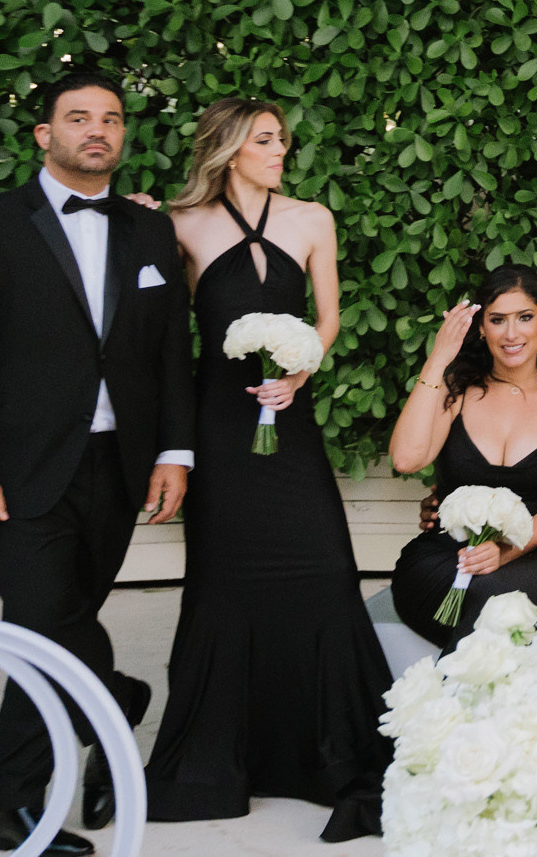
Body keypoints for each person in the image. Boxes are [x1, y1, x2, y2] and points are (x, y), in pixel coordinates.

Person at [0, 69, 196, 857]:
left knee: (44, 630)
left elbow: (171, 349)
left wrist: (174, 450)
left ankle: (47, 774)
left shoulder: (150, 233)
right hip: (13, 470)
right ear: (45, 134)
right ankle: (63, 759)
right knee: (45, 625)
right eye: (77, 117)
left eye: (110, 118)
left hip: (117, 467)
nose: (96, 130)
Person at [143, 100, 391, 838]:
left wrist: (301, 370)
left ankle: (328, 753)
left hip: (292, 424)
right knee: (223, 582)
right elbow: (157, 329)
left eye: (283, 137)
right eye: (265, 139)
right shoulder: (182, 225)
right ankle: (225, 753)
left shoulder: (313, 217)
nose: (281, 148)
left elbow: (329, 316)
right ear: (227, 148)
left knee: (322, 566)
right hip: (219, 431)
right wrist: (134, 215)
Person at [387, 266, 537, 648]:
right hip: (443, 556)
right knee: (491, 604)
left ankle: (449, 704)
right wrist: (438, 360)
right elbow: (406, 459)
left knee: (501, 601)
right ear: (480, 328)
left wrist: (503, 550)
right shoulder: (457, 389)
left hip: (532, 555)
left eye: (525, 317)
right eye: (497, 320)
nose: (511, 333)